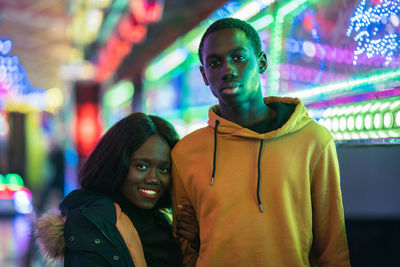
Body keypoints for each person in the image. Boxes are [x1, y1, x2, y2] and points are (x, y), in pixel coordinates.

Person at [172, 18, 351, 266]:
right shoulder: (185, 153)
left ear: (262, 62)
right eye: (214, 63)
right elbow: (185, 249)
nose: (227, 70)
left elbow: (333, 248)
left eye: (239, 57)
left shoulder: (313, 140)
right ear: (204, 75)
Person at [35, 112, 197, 267]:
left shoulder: (166, 227)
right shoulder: (93, 225)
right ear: (117, 165)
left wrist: (194, 245)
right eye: (141, 166)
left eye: (163, 170)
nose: (153, 178)